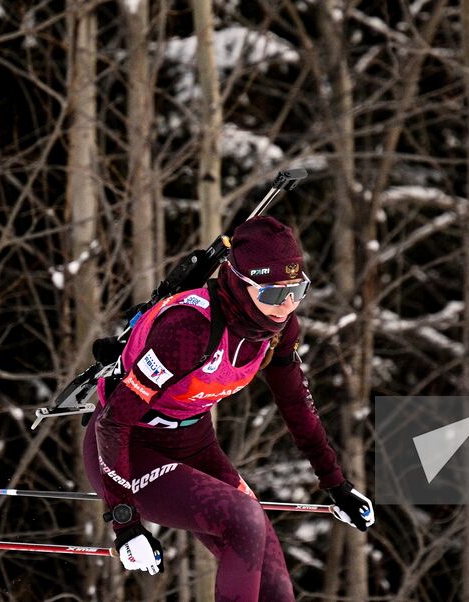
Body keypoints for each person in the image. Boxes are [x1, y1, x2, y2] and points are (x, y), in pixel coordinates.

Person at [83, 215, 374, 601]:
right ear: (239, 281)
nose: (286, 305)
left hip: (195, 442)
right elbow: (113, 422)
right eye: (273, 294)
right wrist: (125, 524)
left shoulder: (278, 330)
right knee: (244, 519)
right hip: (130, 450)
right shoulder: (189, 327)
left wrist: (336, 483)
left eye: (297, 290)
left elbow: (296, 404)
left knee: (272, 578)